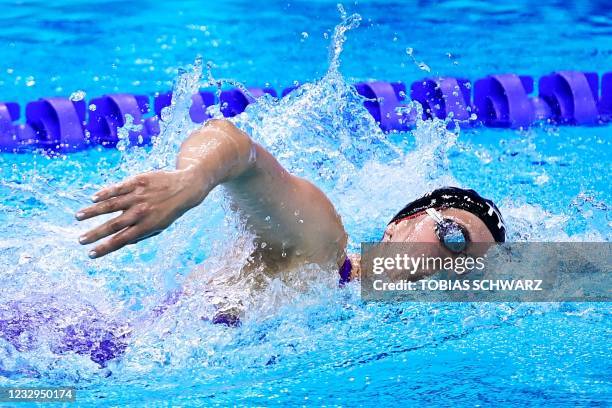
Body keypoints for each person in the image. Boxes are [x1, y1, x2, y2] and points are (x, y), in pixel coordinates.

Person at [76, 119, 506, 284]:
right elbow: (236, 146)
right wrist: (192, 179)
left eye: (471, 268)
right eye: (454, 239)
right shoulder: (322, 246)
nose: (455, 266)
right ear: (399, 225)